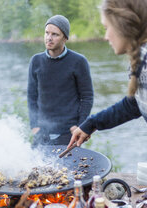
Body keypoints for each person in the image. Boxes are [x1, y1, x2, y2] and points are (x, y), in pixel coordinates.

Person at [67, 0, 147, 162]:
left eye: (107, 28)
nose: (105, 37)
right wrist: (91, 123)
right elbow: (135, 104)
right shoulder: (145, 57)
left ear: (123, 24)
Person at [27, 14, 94, 146]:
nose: (49, 38)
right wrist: (34, 125)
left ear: (65, 38)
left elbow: (87, 97)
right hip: (42, 132)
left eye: (55, 34)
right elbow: (32, 96)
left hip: (69, 133)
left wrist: (80, 126)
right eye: (47, 33)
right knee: (36, 166)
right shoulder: (36, 61)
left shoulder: (78, 61)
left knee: (68, 167)